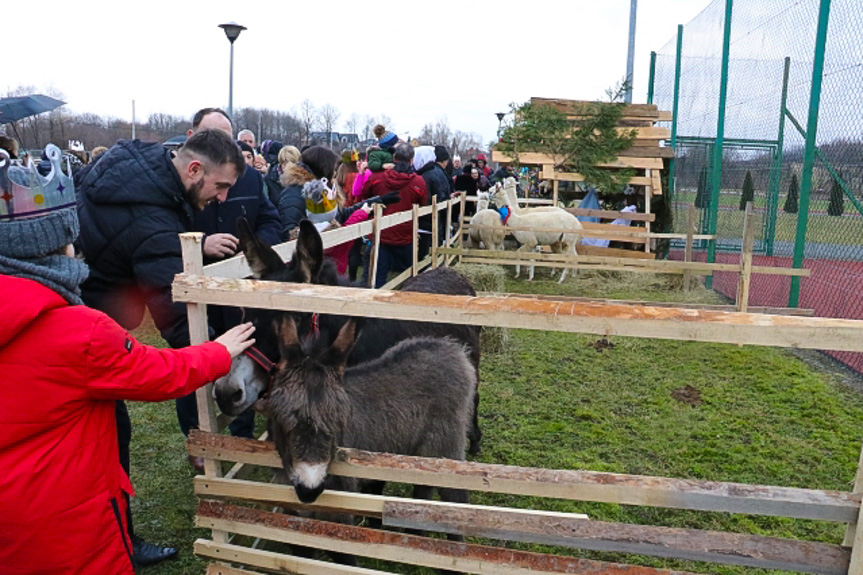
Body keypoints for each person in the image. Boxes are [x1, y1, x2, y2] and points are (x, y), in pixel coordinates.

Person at [0, 145, 256, 574]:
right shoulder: (81, 332)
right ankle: (124, 539)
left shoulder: (124, 171)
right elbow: (159, 373)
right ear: (58, 247)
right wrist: (219, 351)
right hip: (65, 530)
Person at [76, 127, 246, 566]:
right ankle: (117, 543)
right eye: (220, 185)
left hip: (81, 317)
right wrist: (220, 358)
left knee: (99, 439)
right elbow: (176, 309)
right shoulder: (152, 219)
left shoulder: (137, 165)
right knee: (110, 437)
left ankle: (114, 536)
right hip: (86, 332)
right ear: (193, 169)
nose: (222, 198)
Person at [177, 108, 281, 455]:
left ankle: (242, 434)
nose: (225, 146)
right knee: (196, 357)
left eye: (229, 138)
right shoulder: (179, 183)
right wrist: (203, 245)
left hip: (241, 294)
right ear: (194, 138)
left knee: (243, 356)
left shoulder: (249, 178)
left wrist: (254, 253)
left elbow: (270, 218)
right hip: (199, 293)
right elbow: (162, 237)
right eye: (215, 137)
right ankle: (201, 440)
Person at [361, 143, 427, 288]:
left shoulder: (377, 178)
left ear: (394, 157)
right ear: (411, 160)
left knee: (374, 281)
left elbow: (365, 196)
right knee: (409, 281)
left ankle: (372, 308)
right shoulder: (418, 182)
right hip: (405, 237)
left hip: (380, 237)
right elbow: (422, 203)